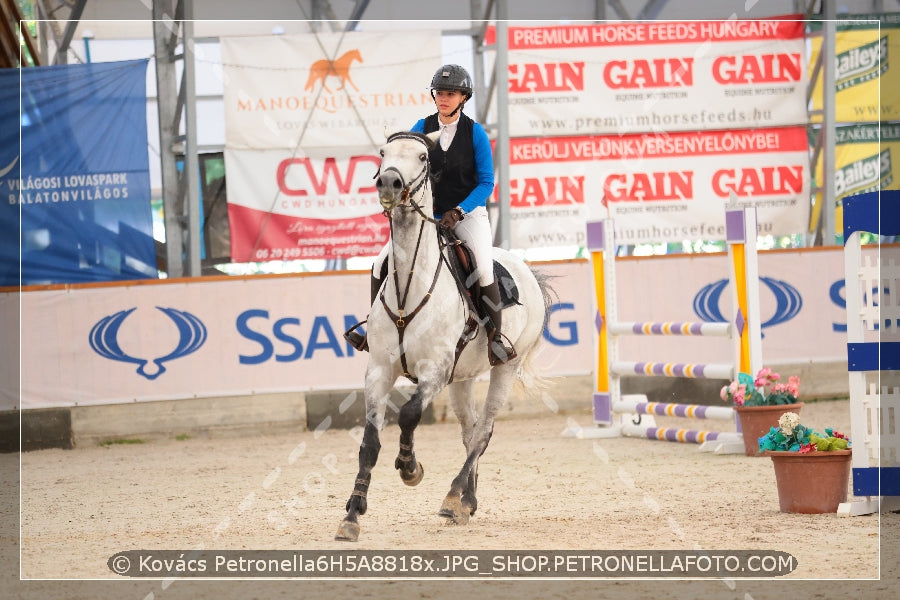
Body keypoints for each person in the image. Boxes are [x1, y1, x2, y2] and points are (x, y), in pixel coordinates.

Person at [345, 64, 516, 366]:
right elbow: (404, 164)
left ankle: (496, 338)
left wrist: (459, 210)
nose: (443, 98)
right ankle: (373, 331)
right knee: (380, 262)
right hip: (427, 217)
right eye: (439, 93)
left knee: (484, 267)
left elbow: (487, 182)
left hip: (468, 215)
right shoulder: (421, 127)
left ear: (463, 97)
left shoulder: (474, 133)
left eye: (450, 94)